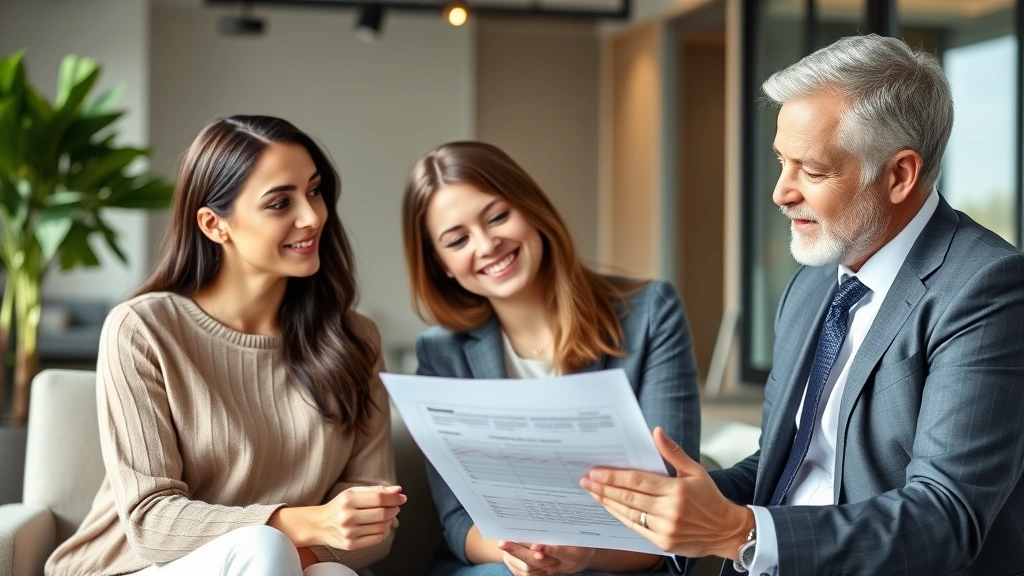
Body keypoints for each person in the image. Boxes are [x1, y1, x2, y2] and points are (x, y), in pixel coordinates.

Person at [580, 33, 1024, 576]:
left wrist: (735, 531)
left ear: (899, 175)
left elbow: (946, 518)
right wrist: (629, 518)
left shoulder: (988, 288)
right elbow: (782, 467)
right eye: (781, 162)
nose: (780, 192)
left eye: (812, 171)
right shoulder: (811, 286)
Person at [45, 115, 404, 576]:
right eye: (280, 203)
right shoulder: (143, 328)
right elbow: (150, 522)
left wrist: (304, 551)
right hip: (135, 567)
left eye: (314, 191)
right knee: (264, 549)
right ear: (215, 224)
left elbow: (376, 526)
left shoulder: (354, 339)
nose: (313, 216)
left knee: (330, 573)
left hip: (278, 565)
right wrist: (299, 526)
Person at [401, 141, 701, 576]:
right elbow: (458, 519)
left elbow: (673, 507)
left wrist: (584, 554)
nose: (486, 245)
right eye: (458, 240)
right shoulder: (440, 352)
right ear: (442, 264)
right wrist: (520, 554)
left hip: (617, 566)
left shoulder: (651, 312)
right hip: (499, 566)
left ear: (532, 210)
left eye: (498, 216)